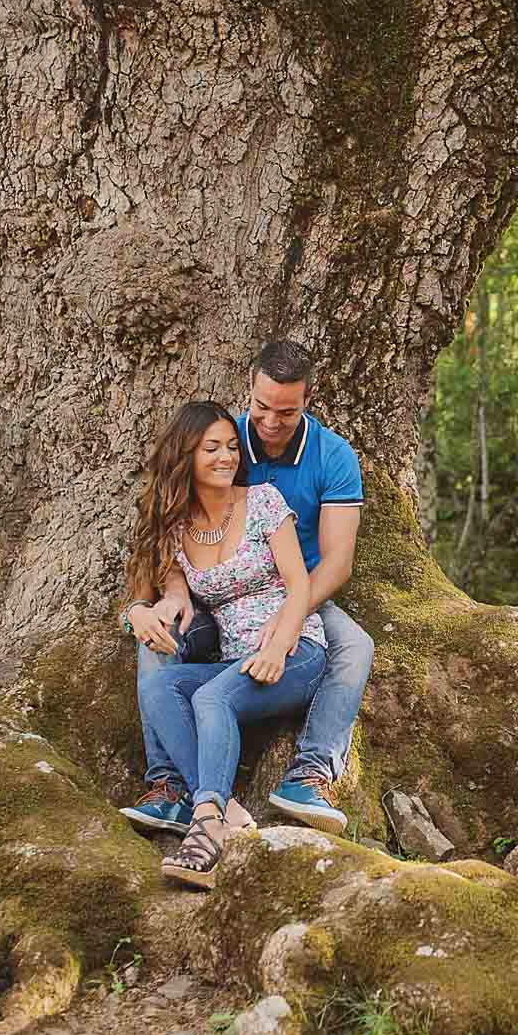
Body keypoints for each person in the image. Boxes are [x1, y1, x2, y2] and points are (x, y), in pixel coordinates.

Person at [122, 340, 372, 834]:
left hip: (288, 587)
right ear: (250, 391)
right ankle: (170, 785)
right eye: (261, 407)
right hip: (209, 593)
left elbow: (337, 562)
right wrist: (147, 603)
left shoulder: (332, 456)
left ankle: (311, 773)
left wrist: (288, 618)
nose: (270, 422)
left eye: (286, 411)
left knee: (356, 645)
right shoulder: (223, 439)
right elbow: (166, 531)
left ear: (307, 400)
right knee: (155, 647)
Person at [121, 401, 330, 890]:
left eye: (232, 447)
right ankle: (223, 810)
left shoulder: (263, 503)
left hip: (295, 653)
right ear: (185, 457)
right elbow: (172, 591)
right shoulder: (174, 527)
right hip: (235, 661)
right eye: (211, 448)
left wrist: (280, 644)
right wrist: (149, 610)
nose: (226, 456)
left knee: (210, 697)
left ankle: (207, 825)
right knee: (159, 688)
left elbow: (299, 585)